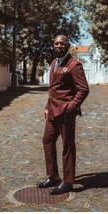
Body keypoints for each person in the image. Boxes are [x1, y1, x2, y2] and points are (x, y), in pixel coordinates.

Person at [37, 35, 89, 195]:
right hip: (52, 110)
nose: (58, 46)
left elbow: (83, 89)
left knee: (67, 145)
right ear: (53, 45)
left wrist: (71, 108)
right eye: (56, 43)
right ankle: (53, 176)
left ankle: (68, 181)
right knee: (47, 139)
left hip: (65, 112)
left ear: (68, 46)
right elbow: (52, 89)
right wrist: (47, 107)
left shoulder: (74, 65)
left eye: (62, 43)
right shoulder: (54, 63)